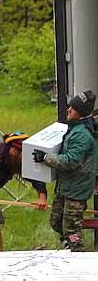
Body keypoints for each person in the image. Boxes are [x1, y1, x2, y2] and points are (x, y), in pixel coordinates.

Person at [33, 90, 97, 251]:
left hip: (77, 189)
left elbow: (70, 161)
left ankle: (81, 258)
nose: (68, 110)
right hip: (65, 186)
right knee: (55, 221)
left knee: (71, 230)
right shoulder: (74, 128)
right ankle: (69, 246)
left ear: (81, 113)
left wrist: (45, 158)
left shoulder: (82, 135)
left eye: (73, 108)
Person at [0, 132, 48, 251]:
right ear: (14, 151)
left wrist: (42, 197)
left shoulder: (17, 160)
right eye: (24, 156)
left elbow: (35, 179)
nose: (25, 161)